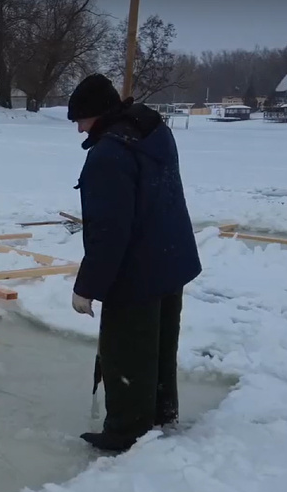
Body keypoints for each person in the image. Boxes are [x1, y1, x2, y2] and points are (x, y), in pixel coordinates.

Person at [66, 74, 202, 453]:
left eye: (81, 119)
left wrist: (86, 287)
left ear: (99, 114)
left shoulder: (109, 155)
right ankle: (161, 412)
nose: (79, 128)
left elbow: (109, 231)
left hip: (137, 268)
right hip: (170, 258)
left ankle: (127, 432)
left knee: (126, 350)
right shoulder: (152, 132)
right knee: (158, 345)